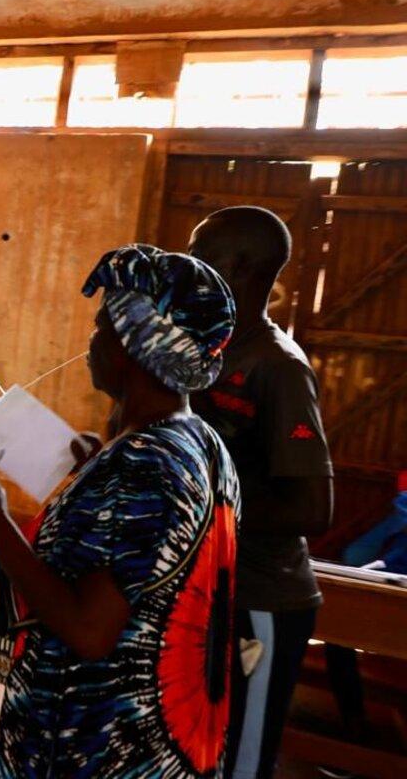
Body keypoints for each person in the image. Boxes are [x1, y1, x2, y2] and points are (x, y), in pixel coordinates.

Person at [0, 245, 240, 777]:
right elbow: (142, 559)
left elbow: (89, 631)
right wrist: (98, 468)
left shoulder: (144, 465)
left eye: (100, 327)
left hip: (98, 750)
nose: (90, 343)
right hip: (153, 746)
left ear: (129, 349)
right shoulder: (198, 440)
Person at [187, 206, 334, 779]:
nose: (189, 264)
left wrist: (206, 496)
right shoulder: (212, 351)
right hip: (211, 590)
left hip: (262, 599)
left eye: (200, 253)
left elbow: (312, 508)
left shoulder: (278, 366)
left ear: (241, 268)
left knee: (241, 763)